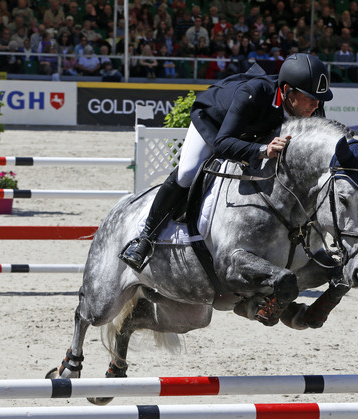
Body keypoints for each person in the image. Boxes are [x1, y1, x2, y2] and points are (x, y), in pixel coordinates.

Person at [119, 53, 333, 272]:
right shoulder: (254, 92)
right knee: (187, 172)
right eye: (310, 98)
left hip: (259, 129)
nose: (316, 105)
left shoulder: (314, 105)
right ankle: (145, 238)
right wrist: (262, 150)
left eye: (320, 99)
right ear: (288, 91)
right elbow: (222, 143)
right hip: (216, 124)